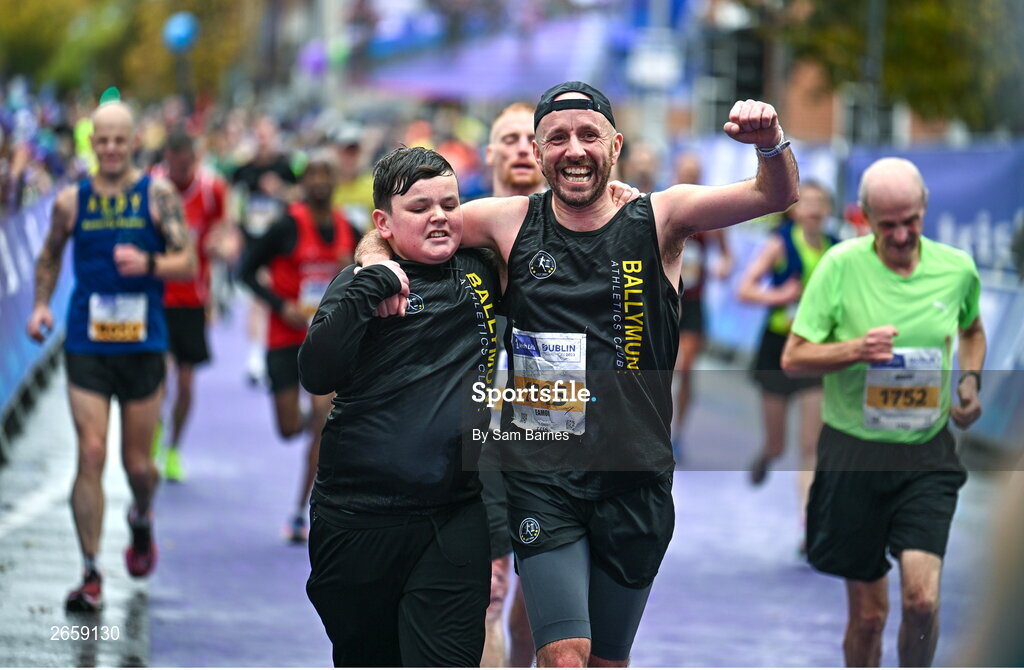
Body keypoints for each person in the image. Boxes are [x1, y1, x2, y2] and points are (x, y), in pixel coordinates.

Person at [360, 82, 798, 667]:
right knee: (567, 654)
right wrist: (376, 265)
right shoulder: (509, 221)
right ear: (538, 152)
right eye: (557, 138)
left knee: (606, 661)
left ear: (615, 145)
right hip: (543, 476)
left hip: (635, 476)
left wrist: (770, 142)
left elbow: (774, 194)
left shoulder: (661, 216)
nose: (574, 150)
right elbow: (397, 226)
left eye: (589, 135)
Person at [782, 157, 986, 667]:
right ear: (865, 217)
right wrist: (856, 350)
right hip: (854, 453)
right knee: (870, 617)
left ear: (925, 209)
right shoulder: (840, 266)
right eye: (887, 224)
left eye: (910, 221)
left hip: (926, 454)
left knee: (922, 602)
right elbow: (794, 357)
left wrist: (969, 380)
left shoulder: (956, 269)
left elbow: (972, 329)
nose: (900, 235)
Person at [301, 146, 497, 666]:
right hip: (358, 519)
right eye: (420, 207)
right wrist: (373, 280)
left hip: (454, 516)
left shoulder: (481, 269)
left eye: (450, 204)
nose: (439, 217)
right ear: (383, 223)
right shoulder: (360, 283)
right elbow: (316, 374)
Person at [25, 101, 195, 612]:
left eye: (120, 139)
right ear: (92, 143)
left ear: (133, 141)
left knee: (138, 466)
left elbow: (187, 261)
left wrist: (149, 262)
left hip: (143, 345)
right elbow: (50, 254)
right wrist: (39, 306)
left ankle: (141, 517)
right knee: (92, 451)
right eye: (103, 140)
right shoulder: (71, 201)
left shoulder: (157, 196)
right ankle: (90, 572)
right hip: (87, 343)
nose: (112, 149)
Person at [239, 149, 356, 542]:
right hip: (286, 338)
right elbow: (245, 271)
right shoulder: (285, 226)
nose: (320, 181)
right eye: (313, 174)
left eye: (326, 174)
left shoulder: (348, 228)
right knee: (289, 428)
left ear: (336, 181)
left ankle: (301, 511)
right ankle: (308, 419)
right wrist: (280, 305)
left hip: (326, 340)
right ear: (303, 182)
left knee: (324, 419)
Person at [479, 101, 544, 668]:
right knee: (490, 595)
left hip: (559, 432)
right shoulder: (461, 230)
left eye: (531, 139)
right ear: (490, 154)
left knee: (537, 620)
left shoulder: (584, 227)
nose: (522, 148)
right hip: (482, 436)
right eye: (509, 139)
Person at [737, 181, 835, 513]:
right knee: (778, 445)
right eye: (808, 202)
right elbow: (744, 289)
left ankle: (808, 523)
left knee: (811, 446)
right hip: (777, 348)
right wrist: (780, 296)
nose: (814, 209)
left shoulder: (836, 249)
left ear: (828, 210)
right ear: (795, 210)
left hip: (814, 350)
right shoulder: (779, 244)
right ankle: (768, 454)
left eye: (820, 202)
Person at [150, 129, 235, 482]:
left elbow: (226, 235)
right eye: (176, 164)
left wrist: (221, 245)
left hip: (192, 298)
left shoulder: (212, 189)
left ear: (195, 160)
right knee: (157, 378)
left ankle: (173, 448)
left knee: (185, 383)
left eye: (188, 165)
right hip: (156, 296)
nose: (181, 171)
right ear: (167, 158)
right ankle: (153, 434)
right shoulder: (151, 186)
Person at [670, 153, 732, 460]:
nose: (689, 178)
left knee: (684, 368)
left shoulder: (711, 217)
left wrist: (724, 266)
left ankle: (678, 434)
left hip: (693, 304)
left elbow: (727, 255)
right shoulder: (664, 208)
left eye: (694, 174)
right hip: (664, 302)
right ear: (675, 174)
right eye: (685, 173)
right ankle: (654, 429)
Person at [231, 115, 299, 386]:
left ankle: (275, 349)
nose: (263, 141)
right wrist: (234, 231)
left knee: (276, 292)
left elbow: (297, 198)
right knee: (257, 296)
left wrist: (279, 190)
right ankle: (256, 354)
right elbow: (233, 200)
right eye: (258, 135)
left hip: (278, 241)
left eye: (267, 135)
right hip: (252, 238)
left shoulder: (285, 167)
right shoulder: (243, 170)